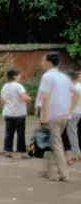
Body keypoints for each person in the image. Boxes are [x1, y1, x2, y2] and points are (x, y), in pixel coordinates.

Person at [37, 53, 75, 182]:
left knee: (56, 143)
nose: (42, 63)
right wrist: (70, 109)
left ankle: (63, 173)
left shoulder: (47, 76)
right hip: (64, 114)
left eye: (43, 61)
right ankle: (48, 170)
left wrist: (45, 115)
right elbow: (75, 93)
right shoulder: (63, 76)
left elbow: (45, 96)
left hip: (53, 115)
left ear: (48, 62)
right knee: (51, 141)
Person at [0, 68, 32, 160]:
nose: (20, 77)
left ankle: (8, 151)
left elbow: (2, 100)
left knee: (9, 133)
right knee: (20, 133)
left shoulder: (5, 86)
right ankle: (22, 153)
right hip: (19, 113)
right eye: (19, 75)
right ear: (15, 76)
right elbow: (24, 97)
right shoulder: (18, 86)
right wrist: (28, 98)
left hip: (8, 113)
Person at [68, 71, 81, 164]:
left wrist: (70, 110)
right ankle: (77, 152)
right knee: (74, 132)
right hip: (79, 112)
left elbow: (73, 99)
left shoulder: (75, 87)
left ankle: (74, 153)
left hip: (73, 112)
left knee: (71, 133)